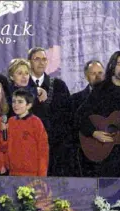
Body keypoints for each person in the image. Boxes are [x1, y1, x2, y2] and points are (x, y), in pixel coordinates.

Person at [76, 51, 120, 177]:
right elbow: (80, 115)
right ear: (112, 66)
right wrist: (94, 133)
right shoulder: (100, 89)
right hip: (105, 149)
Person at [27, 47, 71, 176]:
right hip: (27, 146)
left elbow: (67, 117)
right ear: (29, 62)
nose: (41, 62)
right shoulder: (21, 85)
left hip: (54, 149)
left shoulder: (59, 86)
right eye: (37, 59)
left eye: (44, 59)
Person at [68, 60, 105, 177]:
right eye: (93, 73)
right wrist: (92, 132)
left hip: (110, 153)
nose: (97, 76)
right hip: (84, 154)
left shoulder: (116, 98)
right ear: (86, 76)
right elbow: (74, 122)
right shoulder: (75, 99)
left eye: (100, 73)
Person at [6, 89, 49, 176]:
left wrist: (42, 174)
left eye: (20, 102)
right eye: (14, 101)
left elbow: (43, 150)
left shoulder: (36, 122)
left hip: (31, 174)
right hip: (13, 173)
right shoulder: (10, 122)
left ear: (29, 105)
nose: (16, 105)